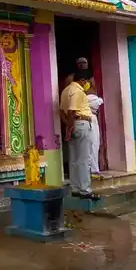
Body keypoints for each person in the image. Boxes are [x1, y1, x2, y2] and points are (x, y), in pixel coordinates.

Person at [60, 69, 99, 200]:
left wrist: (68, 126)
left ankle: (75, 188)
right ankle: (85, 190)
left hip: (73, 124)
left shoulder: (65, 91)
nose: (87, 84)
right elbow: (72, 111)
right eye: (87, 81)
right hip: (81, 124)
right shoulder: (77, 91)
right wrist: (71, 126)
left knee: (74, 159)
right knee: (84, 159)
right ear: (82, 80)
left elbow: (62, 112)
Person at [86, 89, 104, 176]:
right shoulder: (90, 116)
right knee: (92, 147)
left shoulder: (92, 115)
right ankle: (93, 169)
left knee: (94, 147)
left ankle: (94, 168)